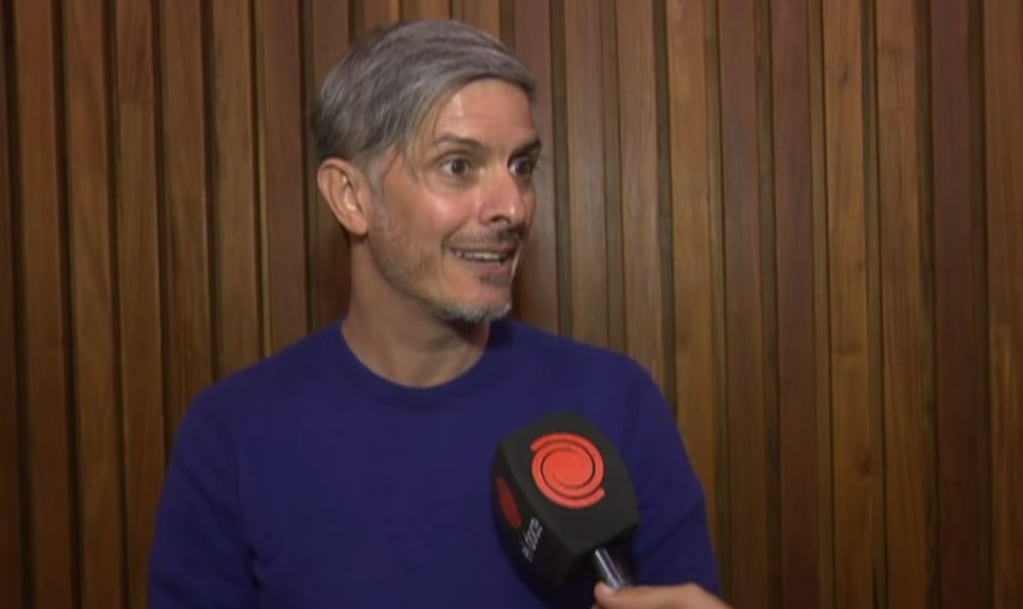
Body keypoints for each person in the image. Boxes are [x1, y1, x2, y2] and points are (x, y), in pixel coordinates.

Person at [148, 19, 728, 609]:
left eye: (522, 167)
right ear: (351, 197)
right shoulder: (232, 437)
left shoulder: (615, 404)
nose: (513, 207)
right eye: (458, 166)